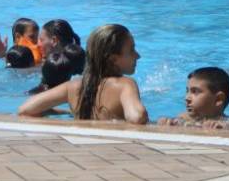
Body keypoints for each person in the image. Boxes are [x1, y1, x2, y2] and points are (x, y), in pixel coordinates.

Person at [18, 24, 148, 124]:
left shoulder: (73, 87)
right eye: (131, 50)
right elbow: (137, 117)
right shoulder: (125, 85)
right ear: (113, 59)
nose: (138, 55)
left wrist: (66, 112)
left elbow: (25, 109)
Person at [157, 67, 229, 130]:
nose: (187, 98)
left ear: (218, 99)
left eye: (195, 92)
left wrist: (220, 128)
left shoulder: (228, 122)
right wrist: (167, 122)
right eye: (187, 91)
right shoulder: (184, 117)